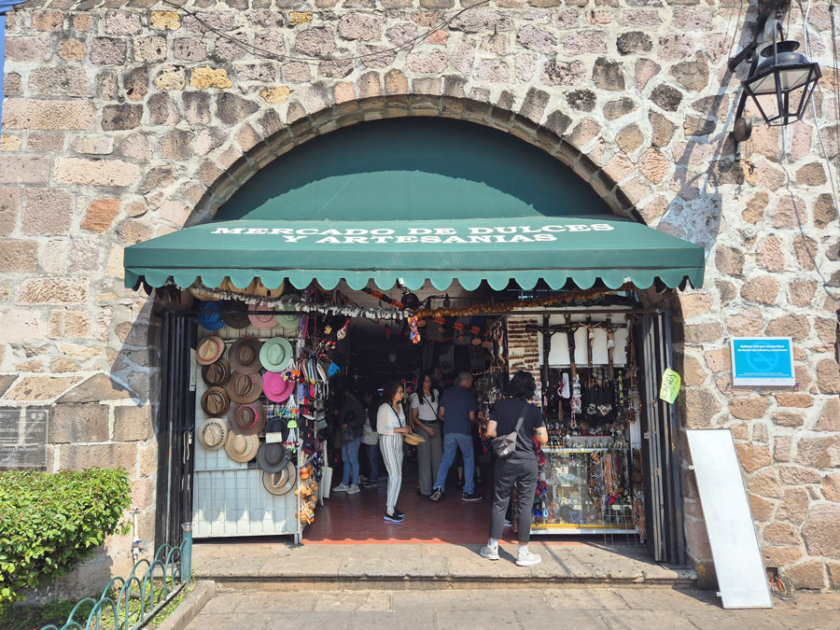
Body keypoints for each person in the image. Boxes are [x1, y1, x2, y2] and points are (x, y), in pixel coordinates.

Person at [480, 370, 548, 567]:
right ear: (530, 389)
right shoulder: (534, 411)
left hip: (506, 460)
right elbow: (543, 438)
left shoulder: (500, 407)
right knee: (525, 506)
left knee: (500, 502)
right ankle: (523, 552)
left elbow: (490, 431)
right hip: (528, 462)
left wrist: (506, 436)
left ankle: (492, 548)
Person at [429, 371, 482, 503]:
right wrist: (477, 422)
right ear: (465, 380)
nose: (471, 383)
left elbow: (440, 414)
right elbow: (471, 417)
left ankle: (438, 488)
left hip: (449, 432)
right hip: (464, 432)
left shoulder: (447, 393)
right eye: (470, 380)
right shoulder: (468, 395)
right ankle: (468, 492)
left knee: (446, 460)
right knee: (468, 461)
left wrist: (450, 420)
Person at [377, 380, 411, 522]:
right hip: (387, 441)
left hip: (398, 441)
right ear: (392, 393)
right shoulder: (384, 408)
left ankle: (392, 505)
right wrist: (400, 429)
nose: (402, 394)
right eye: (399, 392)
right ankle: (389, 511)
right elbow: (380, 429)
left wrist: (406, 429)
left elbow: (402, 425)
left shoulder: (400, 407)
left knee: (399, 475)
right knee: (394, 474)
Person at [409, 371, 442, 497]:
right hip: (423, 426)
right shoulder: (416, 397)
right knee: (424, 459)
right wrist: (426, 429)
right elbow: (414, 417)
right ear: (421, 382)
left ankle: (438, 487)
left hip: (435, 425)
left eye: (429, 381)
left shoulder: (436, 393)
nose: (428, 383)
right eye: (425, 381)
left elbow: (438, 411)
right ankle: (425, 490)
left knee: (437, 458)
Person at [333, 387, 366, 495]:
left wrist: (349, 425)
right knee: (347, 460)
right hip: (346, 434)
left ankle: (355, 484)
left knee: (352, 460)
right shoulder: (349, 403)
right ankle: (345, 483)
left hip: (353, 435)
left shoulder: (355, 403)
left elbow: (361, 419)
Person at [360, 390, 380, 487]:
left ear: (370, 396)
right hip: (368, 434)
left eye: (366, 396)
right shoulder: (368, 407)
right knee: (371, 458)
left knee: (373, 458)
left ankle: (373, 479)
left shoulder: (374, 407)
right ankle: (372, 477)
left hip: (372, 433)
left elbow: (374, 421)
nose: (365, 398)